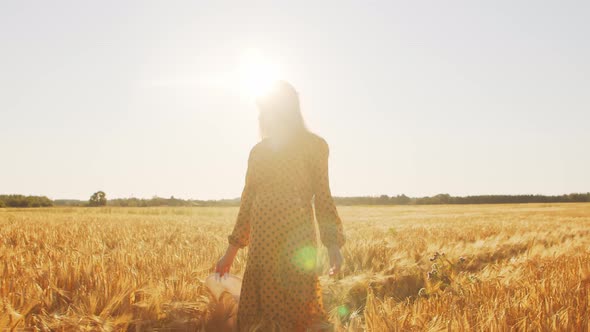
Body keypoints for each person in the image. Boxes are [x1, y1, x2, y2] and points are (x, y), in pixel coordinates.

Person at [215, 80, 346, 331]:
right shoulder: (259, 151)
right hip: (263, 242)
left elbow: (322, 196)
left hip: (295, 237)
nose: (263, 116)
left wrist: (332, 245)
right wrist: (230, 252)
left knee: (292, 304)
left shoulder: (315, 146)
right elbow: (248, 200)